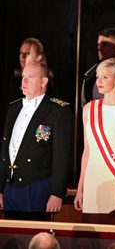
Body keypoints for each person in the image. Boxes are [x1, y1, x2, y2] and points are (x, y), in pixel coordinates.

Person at [0, 61, 72, 221]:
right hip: (11, 187)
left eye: (30, 77)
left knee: (35, 241)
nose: (23, 82)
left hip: (37, 188)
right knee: (11, 241)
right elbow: (5, 150)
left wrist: (57, 193)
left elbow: (61, 157)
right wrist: (0, 188)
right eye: (23, 77)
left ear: (44, 81)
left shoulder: (57, 111)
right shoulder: (14, 108)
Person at [74, 58, 115, 225]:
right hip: (92, 181)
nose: (99, 82)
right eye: (97, 77)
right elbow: (87, 151)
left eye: (105, 77)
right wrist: (80, 188)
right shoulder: (89, 108)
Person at [8, 37, 48, 103]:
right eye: (21, 53)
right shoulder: (14, 81)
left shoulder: (47, 83)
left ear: (38, 57)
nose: (23, 56)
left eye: (28, 53)